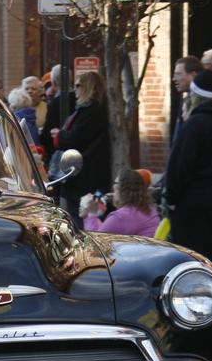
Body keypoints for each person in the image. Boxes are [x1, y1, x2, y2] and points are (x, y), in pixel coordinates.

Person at [165, 70, 212, 334]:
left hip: (195, 202)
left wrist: (171, 198)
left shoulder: (195, 124)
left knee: (197, 261)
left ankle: (199, 317)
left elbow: (180, 165)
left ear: (196, 96)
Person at [53, 71, 111, 221]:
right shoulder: (88, 109)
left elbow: (75, 138)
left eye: (78, 85)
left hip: (86, 177)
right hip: (81, 176)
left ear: (88, 87)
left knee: (83, 221)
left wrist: (59, 135)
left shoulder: (92, 110)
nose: (75, 89)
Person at [81, 168, 160, 237]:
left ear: (123, 189)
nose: (113, 187)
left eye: (115, 183)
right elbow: (103, 231)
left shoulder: (120, 217)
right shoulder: (151, 211)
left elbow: (94, 241)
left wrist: (91, 214)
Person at [171, 55, 202, 141]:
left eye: (178, 74)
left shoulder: (199, 103)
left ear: (193, 75)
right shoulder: (186, 99)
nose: (174, 79)